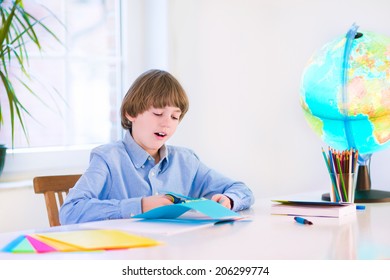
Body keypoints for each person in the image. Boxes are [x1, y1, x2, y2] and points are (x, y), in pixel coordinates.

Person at [59, 69, 254, 225]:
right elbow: (70, 211)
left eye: (174, 117)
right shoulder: (108, 159)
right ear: (131, 113)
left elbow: (242, 190)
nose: (166, 123)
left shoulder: (186, 161)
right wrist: (140, 205)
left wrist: (229, 199)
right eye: (158, 113)